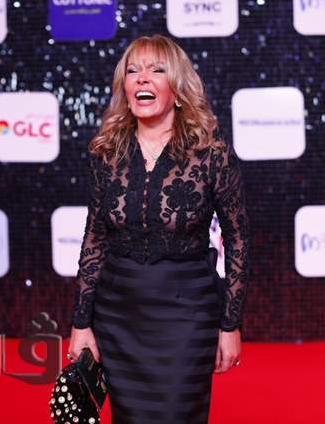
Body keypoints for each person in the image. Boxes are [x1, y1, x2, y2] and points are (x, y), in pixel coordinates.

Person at [67, 34, 251, 424]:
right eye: (133, 71)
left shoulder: (212, 154)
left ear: (178, 87)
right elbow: (95, 239)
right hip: (118, 317)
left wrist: (230, 324)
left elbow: (237, 240)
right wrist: (81, 323)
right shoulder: (106, 153)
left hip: (187, 317)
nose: (142, 78)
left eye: (156, 70)